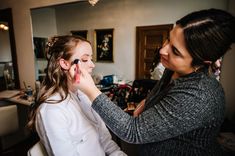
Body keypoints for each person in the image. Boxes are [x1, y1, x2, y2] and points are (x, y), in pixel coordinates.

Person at [70, 8, 235, 156]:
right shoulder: (174, 68)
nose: (162, 50)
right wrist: (148, 101)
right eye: (169, 40)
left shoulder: (199, 96)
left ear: (203, 61)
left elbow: (132, 131)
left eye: (175, 51)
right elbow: (165, 95)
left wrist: (91, 91)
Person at [27, 35, 126, 156]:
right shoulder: (51, 110)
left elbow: (107, 142)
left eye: (91, 59)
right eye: (85, 60)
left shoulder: (86, 97)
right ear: (64, 63)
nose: (92, 65)